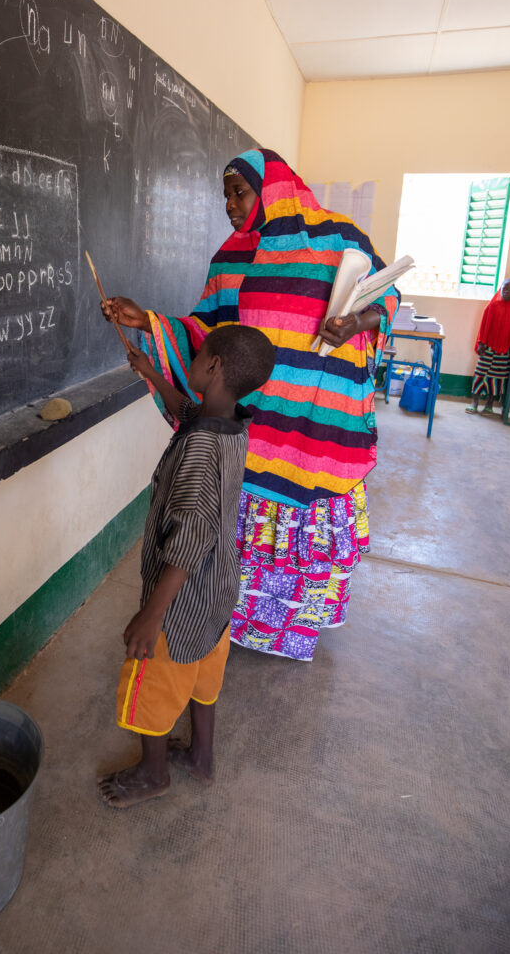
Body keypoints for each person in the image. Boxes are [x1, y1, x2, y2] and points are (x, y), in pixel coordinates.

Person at [103, 148, 399, 663]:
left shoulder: (339, 239)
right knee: (233, 529)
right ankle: (233, 625)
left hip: (313, 426)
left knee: (300, 519)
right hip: (252, 431)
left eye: (239, 192)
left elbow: (387, 296)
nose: (231, 206)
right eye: (225, 195)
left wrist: (358, 323)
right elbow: (203, 330)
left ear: (274, 188)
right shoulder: (230, 257)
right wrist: (145, 321)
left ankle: (292, 631)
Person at [97, 324, 276, 809]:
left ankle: (153, 774)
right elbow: (187, 410)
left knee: (152, 683)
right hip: (218, 592)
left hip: (180, 605)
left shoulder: (199, 448)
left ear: (214, 367)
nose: (192, 360)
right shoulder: (230, 422)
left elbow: (191, 535)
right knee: (203, 675)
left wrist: (153, 614)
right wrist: (150, 371)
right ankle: (201, 755)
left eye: (198, 356)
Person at [465, 279, 510, 415]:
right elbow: (483, 326)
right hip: (488, 346)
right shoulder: (493, 306)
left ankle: (490, 404)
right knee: (480, 374)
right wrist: (481, 342)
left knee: (498, 377)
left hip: (505, 349)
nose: (507, 291)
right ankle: (474, 402)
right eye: (505, 288)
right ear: (500, 288)